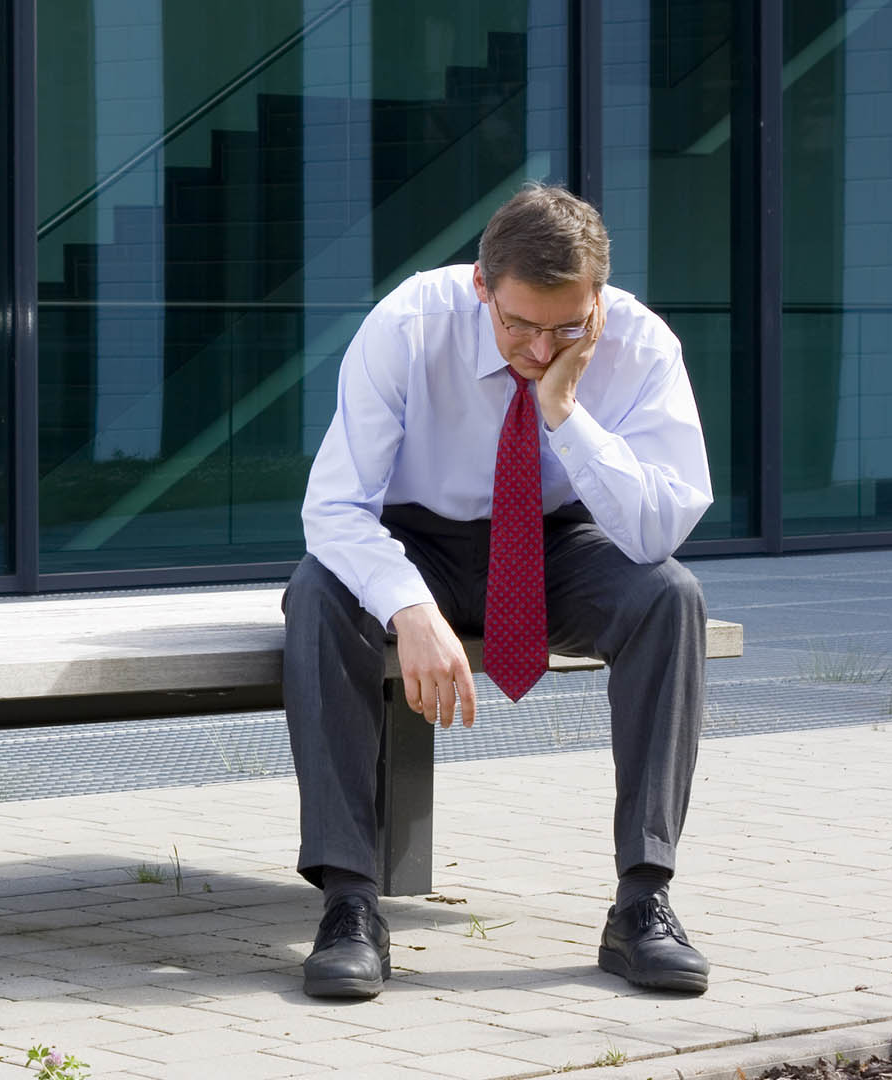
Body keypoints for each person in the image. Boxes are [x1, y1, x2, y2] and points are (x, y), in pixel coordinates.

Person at [284, 182, 714, 999]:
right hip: (418, 541)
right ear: (481, 283)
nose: (540, 347)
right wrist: (410, 608)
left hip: (557, 541)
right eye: (518, 324)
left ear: (598, 298)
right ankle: (349, 902)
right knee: (319, 592)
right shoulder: (410, 326)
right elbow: (334, 509)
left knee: (670, 597)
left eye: (567, 327)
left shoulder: (642, 345)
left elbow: (658, 529)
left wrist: (565, 415)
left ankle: (643, 901)